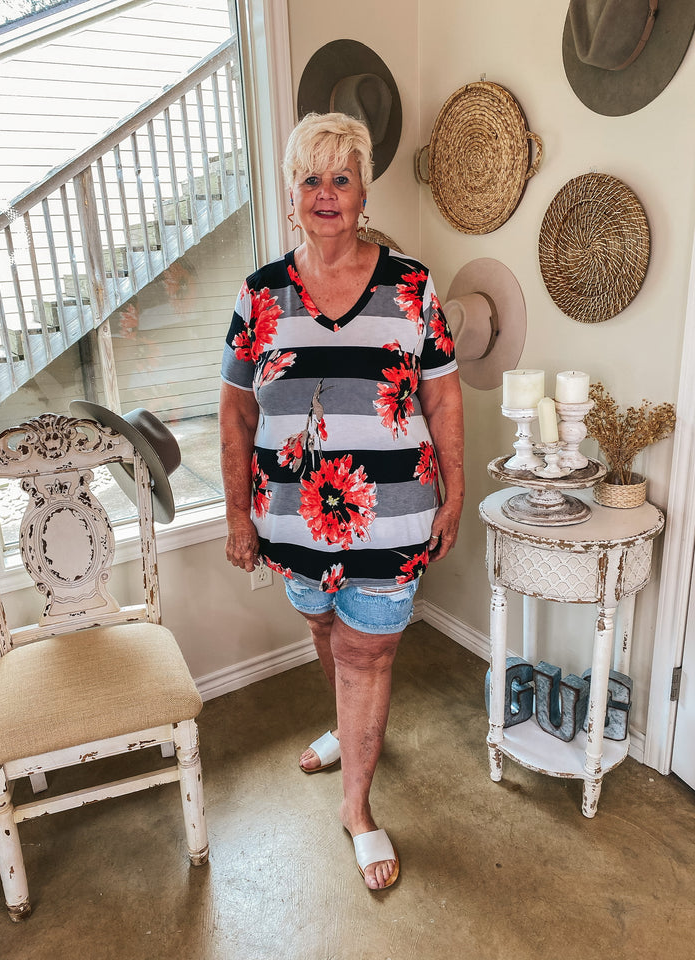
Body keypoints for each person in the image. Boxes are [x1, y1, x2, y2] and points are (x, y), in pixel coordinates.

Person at [219, 112, 465, 890]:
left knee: (369, 651)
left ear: (363, 192)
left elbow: (445, 402)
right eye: (310, 179)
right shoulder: (259, 296)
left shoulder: (413, 288)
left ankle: (356, 806)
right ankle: (349, 730)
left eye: (342, 177)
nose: (326, 193)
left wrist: (456, 495)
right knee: (328, 632)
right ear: (293, 196)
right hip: (289, 523)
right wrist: (234, 514)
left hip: (392, 519)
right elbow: (235, 412)